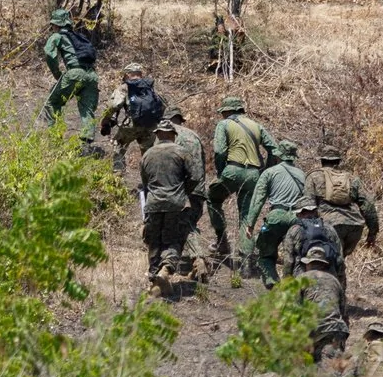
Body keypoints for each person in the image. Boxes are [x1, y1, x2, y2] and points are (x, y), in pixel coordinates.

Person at [208, 96, 273, 272]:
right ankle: (246, 264)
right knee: (246, 216)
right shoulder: (256, 125)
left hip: (232, 170)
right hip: (253, 175)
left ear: (228, 111)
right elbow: (273, 148)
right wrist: (266, 170)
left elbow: (220, 150)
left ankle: (221, 240)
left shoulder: (224, 125)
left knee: (212, 198)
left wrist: (221, 171)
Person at [139, 116, 205, 280]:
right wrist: (184, 190)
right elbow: (196, 176)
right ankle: (167, 267)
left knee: (154, 241)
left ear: (158, 134)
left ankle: (154, 274)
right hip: (175, 203)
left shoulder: (147, 154)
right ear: (173, 134)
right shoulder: (181, 152)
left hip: (153, 203)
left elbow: (144, 181)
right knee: (173, 238)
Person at [247, 140, 311, 284]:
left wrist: (250, 223)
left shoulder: (269, 173)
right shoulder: (302, 175)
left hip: (276, 217)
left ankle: (271, 281)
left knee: (265, 252)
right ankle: (294, 285)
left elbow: (258, 200)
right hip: (297, 219)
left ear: (279, 156)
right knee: (296, 255)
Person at [99, 65, 168, 177]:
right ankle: (151, 179)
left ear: (127, 74)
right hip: (150, 126)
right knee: (148, 154)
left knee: (118, 145)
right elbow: (163, 105)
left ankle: (118, 173)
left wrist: (105, 120)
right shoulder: (149, 87)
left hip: (131, 126)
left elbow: (114, 105)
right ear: (140, 74)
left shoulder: (125, 87)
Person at [315, 145, 380, 260]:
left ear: (321, 161)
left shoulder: (314, 177)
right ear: (339, 161)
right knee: (339, 262)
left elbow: (307, 204)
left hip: (329, 225)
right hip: (354, 226)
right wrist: (372, 232)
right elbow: (368, 205)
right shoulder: (351, 178)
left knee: (329, 263)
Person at [42, 9, 101, 133]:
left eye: (52, 25)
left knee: (52, 103)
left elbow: (49, 54)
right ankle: (87, 140)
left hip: (75, 74)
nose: (52, 27)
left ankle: (55, 139)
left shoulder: (57, 36)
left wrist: (57, 74)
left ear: (56, 24)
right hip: (92, 76)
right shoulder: (79, 37)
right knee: (87, 108)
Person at [295, 244, 351, 362]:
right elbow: (344, 313)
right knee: (333, 373)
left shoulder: (301, 279)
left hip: (315, 331)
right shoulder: (334, 281)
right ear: (323, 264)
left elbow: (292, 311)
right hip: (337, 330)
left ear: (308, 263)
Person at [281, 199, 347, 290]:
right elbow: (339, 259)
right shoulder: (329, 229)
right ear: (316, 212)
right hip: (329, 275)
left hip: (303, 276)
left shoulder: (294, 230)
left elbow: (289, 261)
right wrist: (341, 285)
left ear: (299, 214)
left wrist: (285, 283)